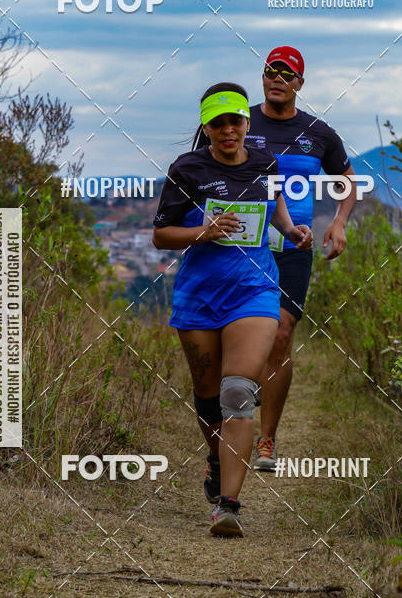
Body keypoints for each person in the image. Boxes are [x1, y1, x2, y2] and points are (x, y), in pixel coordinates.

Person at [153, 82, 313, 537]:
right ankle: (216, 460)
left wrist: (292, 229)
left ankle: (229, 507)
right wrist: (202, 233)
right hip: (200, 297)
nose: (228, 130)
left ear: (246, 123)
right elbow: (161, 235)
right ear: (206, 127)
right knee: (207, 399)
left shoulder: (265, 164)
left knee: (237, 393)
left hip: (254, 291)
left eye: (235, 121)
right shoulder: (187, 169)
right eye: (218, 123)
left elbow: (274, 206)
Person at [245, 46, 357, 470]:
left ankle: (267, 441)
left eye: (287, 73)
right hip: (242, 247)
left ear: (299, 84)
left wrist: (339, 222)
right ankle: (230, 419)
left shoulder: (319, 133)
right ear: (263, 78)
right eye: (271, 70)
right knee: (238, 336)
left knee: (280, 335)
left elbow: (348, 182)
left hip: (295, 246)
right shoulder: (241, 122)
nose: (277, 78)